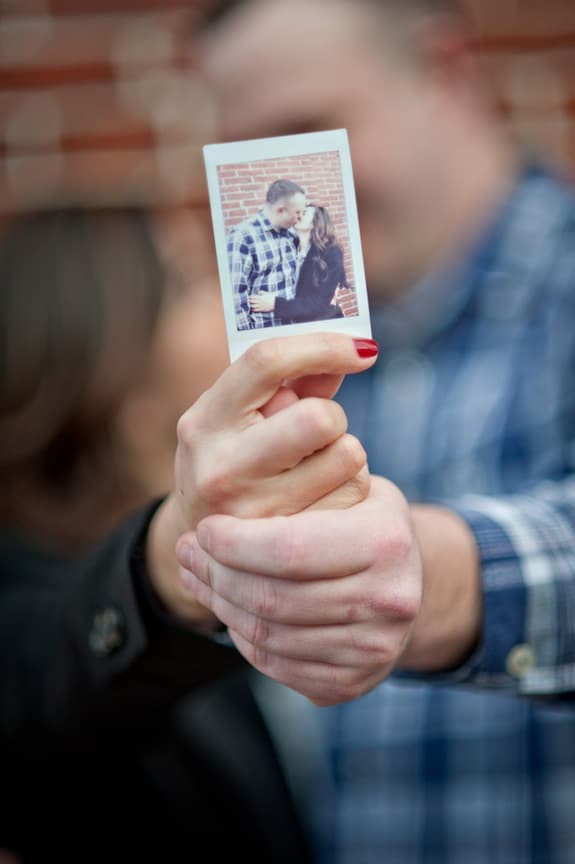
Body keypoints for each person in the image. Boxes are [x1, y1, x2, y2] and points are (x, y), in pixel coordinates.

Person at [176, 0, 575, 861]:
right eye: (245, 154)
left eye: (305, 130)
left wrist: (439, 578)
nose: (283, 196)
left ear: (445, 71)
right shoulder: (287, 365)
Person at [0, 205, 380, 862]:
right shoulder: (22, 606)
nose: (235, 297)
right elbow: (42, 683)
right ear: (103, 358)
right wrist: (176, 557)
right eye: (191, 279)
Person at [227, 177, 307, 330]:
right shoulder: (242, 237)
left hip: (293, 327)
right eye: (297, 212)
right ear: (280, 210)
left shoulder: (291, 235)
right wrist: (248, 337)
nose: (301, 218)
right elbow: (235, 300)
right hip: (264, 332)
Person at [249, 204, 346, 324]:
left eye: (304, 213)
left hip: (321, 323)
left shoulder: (330, 252)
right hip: (293, 321)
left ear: (315, 223)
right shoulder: (290, 247)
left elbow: (320, 303)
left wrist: (275, 304)